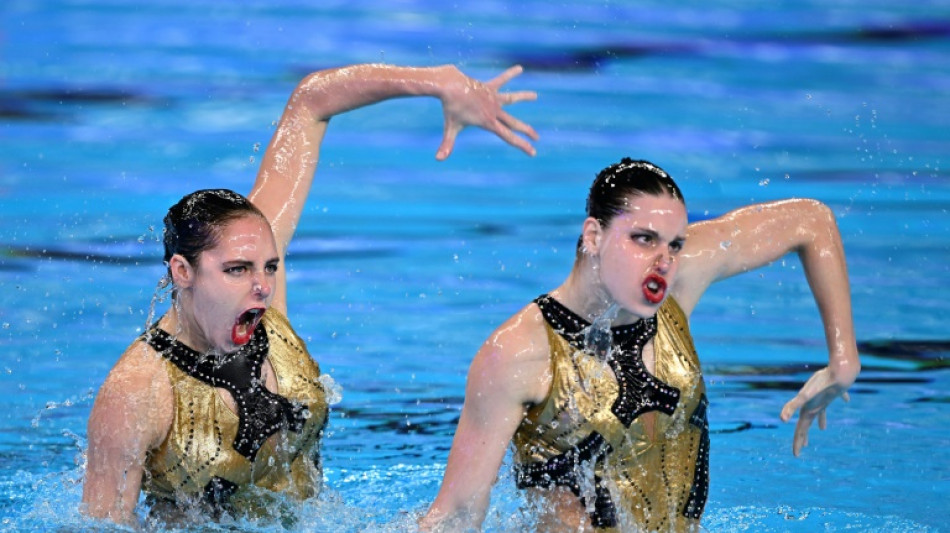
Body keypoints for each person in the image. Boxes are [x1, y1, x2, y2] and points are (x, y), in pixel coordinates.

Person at [80, 63, 539, 526]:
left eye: (270, 267)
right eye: (236, 270)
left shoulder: (259, 291)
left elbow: (311, 103)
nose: (262, 285)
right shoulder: (137, 393)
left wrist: (436, 80)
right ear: (183, 271)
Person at [420, 158, 861, 532]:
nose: (663, 261)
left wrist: (843, 358)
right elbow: (456, 514)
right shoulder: (516, 354)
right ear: (593, 236)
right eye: (643, 239)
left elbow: (810, 220)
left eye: (675, 244)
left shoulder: (676, 283)